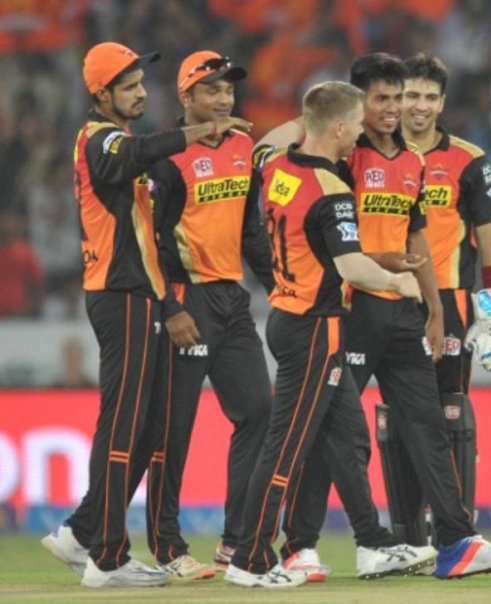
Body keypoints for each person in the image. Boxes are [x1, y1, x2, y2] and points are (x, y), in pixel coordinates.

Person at [280, 52, 491, 580]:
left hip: (405, 313)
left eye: (403, 97)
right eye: (385, 98)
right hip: (350, 309)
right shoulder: (342, 156)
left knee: (429, 425)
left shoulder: (414, 163)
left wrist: (435, 309)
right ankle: (299, 545)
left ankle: (456, 541)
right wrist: (309, 119)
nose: (395, 108)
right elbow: (288, 164)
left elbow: (417, 241)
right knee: (334, 432)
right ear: (358, 104)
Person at [39, 41, 252, 589]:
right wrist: (194, 134)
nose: (140, 94)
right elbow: (131, 160)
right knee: (126, 423)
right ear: (101, 93)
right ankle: (107, 558)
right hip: (120, 292)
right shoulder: (99, 139)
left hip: (140, 295)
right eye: (129, 87)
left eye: (140, 84)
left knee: (147, 424)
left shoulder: (120, 138)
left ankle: (85, 531)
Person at [224, 80, 434, 588]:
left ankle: (374, 544)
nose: (361, 131)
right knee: (286, 447)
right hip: (314, 329)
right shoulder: (333, 190)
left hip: (286, 317)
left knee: (348, 436)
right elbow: (352, 269)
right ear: (339, 128)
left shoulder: (276, 168)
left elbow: (265, 146)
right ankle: (249, 559)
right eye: (357, 123)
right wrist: (400, 282)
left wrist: (310, 114)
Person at [141, 50, 274, 580]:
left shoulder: (243, 145)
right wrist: (170, 308)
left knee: (259, 413)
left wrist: (279, 286)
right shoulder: (165, 157)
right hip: (185, 299)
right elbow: (149, 241)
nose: (223, 99)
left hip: (231, 298)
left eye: (228, 90)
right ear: (186, 97)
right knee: (173, 428)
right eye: (212, 90)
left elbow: (251, 232)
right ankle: (168, 548)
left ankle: (236, 542)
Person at [393, 52, 491, 536]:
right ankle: (404, 529)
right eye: (411, 95)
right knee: (398, 415)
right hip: (390, 296)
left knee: (450, 412)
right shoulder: (368, 150)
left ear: (442, 103)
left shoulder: (468, 159)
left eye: (428, 97)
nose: (419, 106)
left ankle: (454, 525)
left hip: (453, 300)